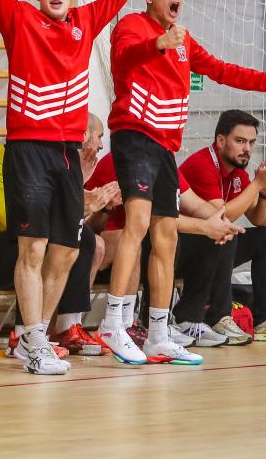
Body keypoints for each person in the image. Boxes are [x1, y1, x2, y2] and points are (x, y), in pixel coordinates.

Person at [0, 0, 155, 375]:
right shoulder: (19, 20)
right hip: (28, 152)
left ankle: (31, 335)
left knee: (69, 249)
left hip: (67, 155)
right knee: (32, 248)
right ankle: (36, 343)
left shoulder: (86, 21)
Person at [102, 0, 266, 366]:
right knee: (137, 223)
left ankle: (159, 334)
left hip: (163, 148)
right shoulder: (132, 26)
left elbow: (222, 70)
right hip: (134, 137)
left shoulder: (184, 39)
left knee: (165, 236)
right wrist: (158, 44)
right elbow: (123, 59)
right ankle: (113, 323)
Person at [0, 114, 119, 359]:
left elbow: (61, 222)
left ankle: (66, 328)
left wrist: (83, 193)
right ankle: (23, 337)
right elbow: (18, 222)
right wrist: (82, 200)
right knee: (35, 242)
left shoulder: (43, 170)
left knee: (82, 237)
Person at [85, 150, 244, 352]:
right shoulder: (126, 158)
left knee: (217, 237)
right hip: (110, 244)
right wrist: (206, 226)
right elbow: (156, 218)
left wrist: (222, 223)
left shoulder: (163, 158)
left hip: (137, 244)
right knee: (158, 235)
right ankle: (133, 323)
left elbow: (195, 206)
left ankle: (189, 319)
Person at [176, 110, 266, 344]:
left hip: (213, 249)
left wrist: (265, 192)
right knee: (226, 233)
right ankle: (219, 317)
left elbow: (259, 219)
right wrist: (256, 184)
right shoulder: (202, 164)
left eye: (251, 143)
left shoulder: (237, 173)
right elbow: (220, 217)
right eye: (240, 141)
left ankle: (265, 319)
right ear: (221, 140)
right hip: (182, 251)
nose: (247, 149)